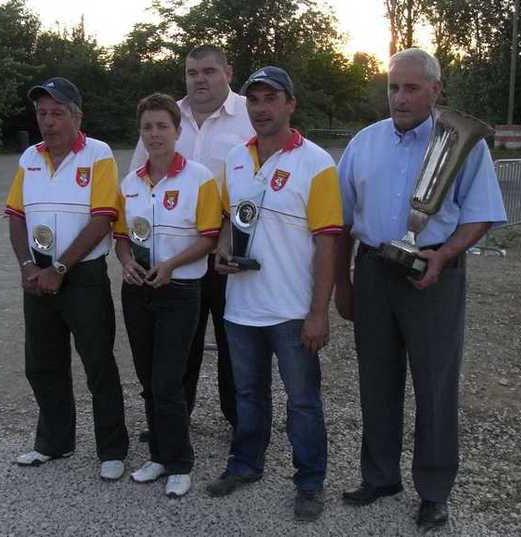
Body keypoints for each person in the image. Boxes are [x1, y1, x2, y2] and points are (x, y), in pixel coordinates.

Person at [335, 48, 507, 530]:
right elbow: (342, 222)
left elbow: (480, 214)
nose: (400, 97)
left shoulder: (463, 144)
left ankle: (433, 490)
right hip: (372, 271)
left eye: (411, 88)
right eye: (393, 87)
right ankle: (380, 476)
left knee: (435, 386)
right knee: (376, 381)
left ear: (435, 90)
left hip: (434, 274)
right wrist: (343, 283)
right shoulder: (363, 144)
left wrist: (445, 255)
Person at [206, 66, 343, 522]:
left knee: (303, 400)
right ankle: (245, 464)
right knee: (248, 394)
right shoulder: (235, 158)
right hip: (242, 307)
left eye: (271, 99)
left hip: (290, 308)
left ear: (290, 104)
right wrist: (223, 249)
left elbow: (328, 242)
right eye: (254, 99)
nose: (261, 108)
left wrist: (317, 313)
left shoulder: (317, 163)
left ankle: (309, 482)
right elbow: (229, 219)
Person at [5, 77, 129, 480]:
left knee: (97, 363)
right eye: (42, 113)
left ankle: (111, 449)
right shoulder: (29, 157)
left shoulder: (98, 154)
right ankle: (54, 442)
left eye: (58, 113)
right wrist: (28, 266)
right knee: (42, 363)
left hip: (82, 276)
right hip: (38, 275)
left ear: (77, 116)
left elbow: (103, 217)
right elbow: (17, 216)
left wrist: (61, 268)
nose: (48, 121)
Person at [130, 46, 254, 436]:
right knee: (180, 342)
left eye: (209, 71)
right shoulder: (166, 118)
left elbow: (258, 185)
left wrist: (229, 237)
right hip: (177, 254)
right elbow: (138, 178)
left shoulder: (250, 117)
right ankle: (174, 417)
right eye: (192, 72)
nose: (200, 79)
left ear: (228, 72)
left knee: (232, 340)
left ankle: (239, 421)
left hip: (229, 248)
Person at [115, 93, 222, 497]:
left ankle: (180, 462)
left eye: (162, 126)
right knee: (147, 380)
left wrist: (171, 265)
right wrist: (126, 262)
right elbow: (122, 238)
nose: (155, 134)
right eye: (147, 127)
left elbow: (209, 237)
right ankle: (158, 456)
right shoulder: (130, 183)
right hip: (137, 291)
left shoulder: (199, 178)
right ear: (141, 134)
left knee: (168, 380)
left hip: (179, 290)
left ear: (177, 131)